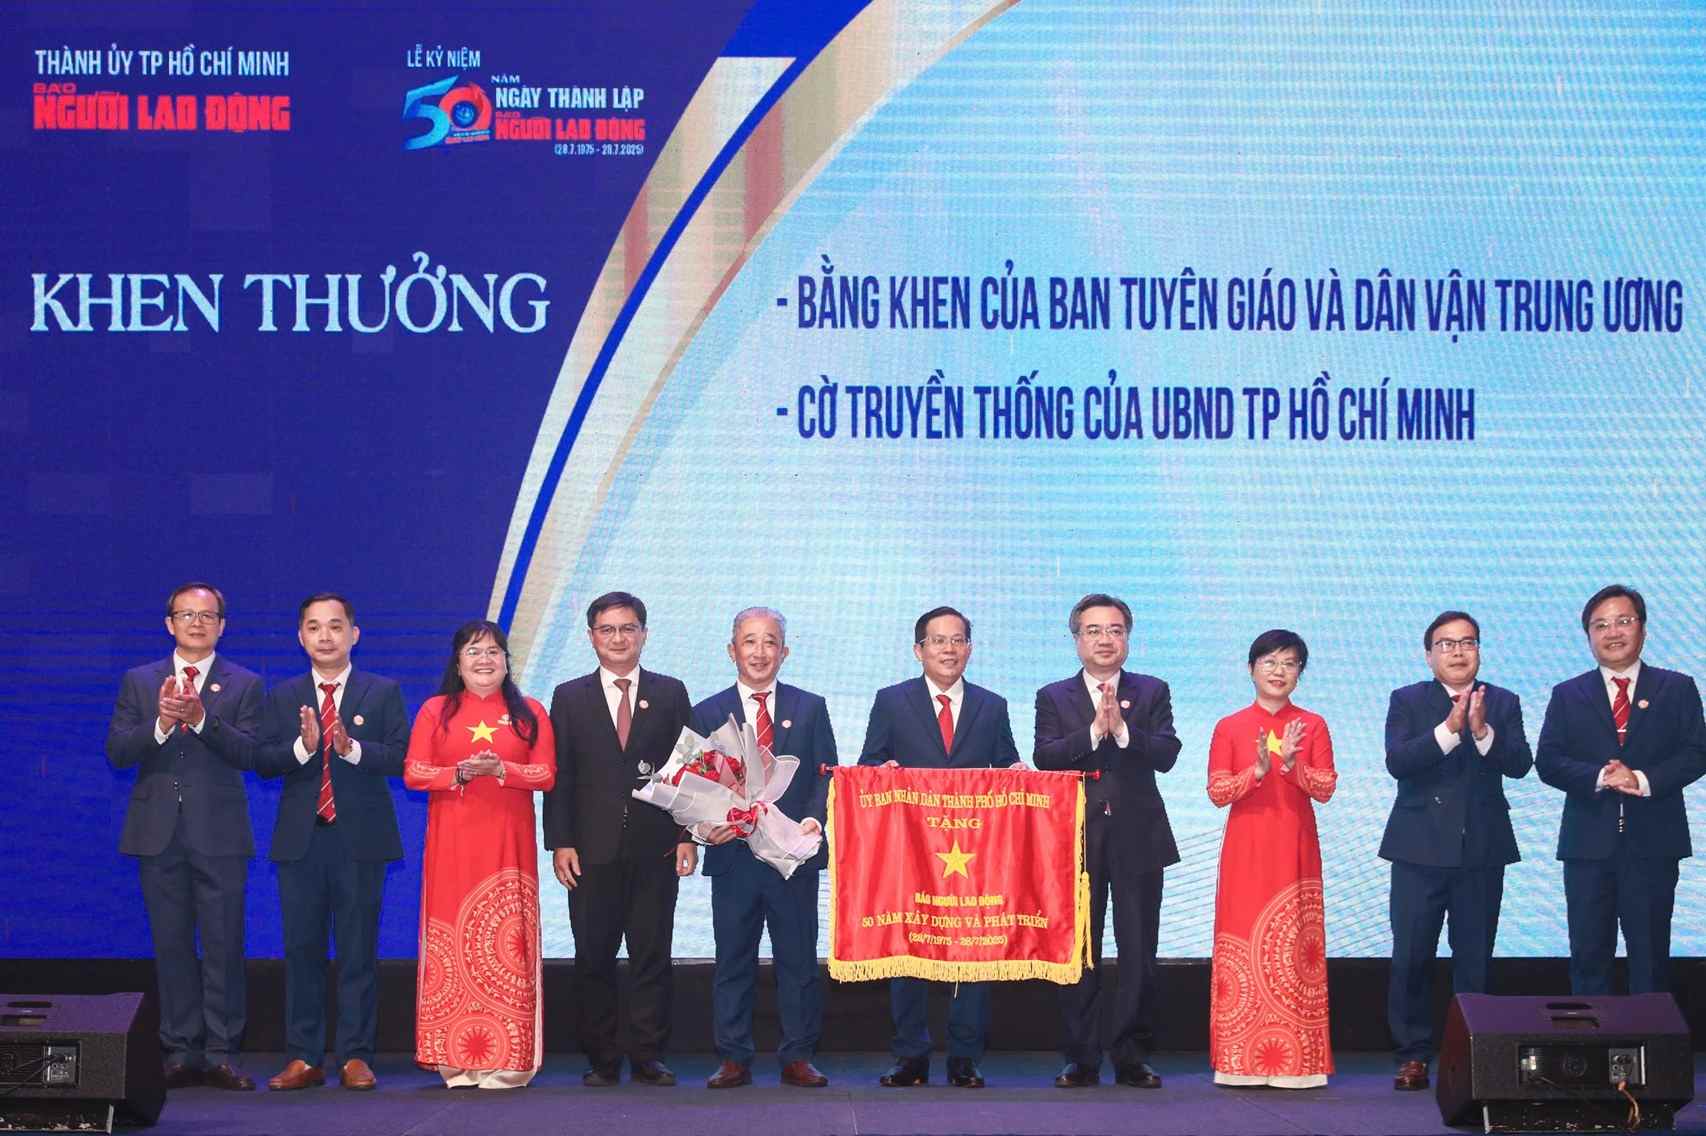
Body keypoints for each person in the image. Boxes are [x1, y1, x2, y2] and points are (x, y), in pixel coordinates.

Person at [106, 582, 262, 1091]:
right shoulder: (139, 681)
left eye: (207, 615)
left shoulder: (245, 683)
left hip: (220, 832)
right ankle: (179, 1050)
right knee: (171, 944)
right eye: (186, 614)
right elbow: (118, 751)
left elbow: (251, 754)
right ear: (169, 623)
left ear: (222, 625)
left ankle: (221, 1052)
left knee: (223, 944)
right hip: (156, 833)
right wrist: (160, 723)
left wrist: (200, 719)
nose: (197, 623)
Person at [859, 605, 1020, 1089]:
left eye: (958, 640)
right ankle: (910, 1055)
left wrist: (1016, 774)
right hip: (910, 851)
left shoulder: (992, 705)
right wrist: (880, 773)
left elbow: (1006, 766)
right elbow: (869, 764)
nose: (949, 649)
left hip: (974, 853)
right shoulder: (891, 701)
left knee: (974, 954)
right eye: (938, 641)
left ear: (969, 648)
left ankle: (965, 1058)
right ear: (919, 650)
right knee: (908, 950)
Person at [252, 594, 409, 1092]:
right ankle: (303, 1056)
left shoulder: (382, 691)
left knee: (358, 952)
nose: (325, 636)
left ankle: (356, 1055)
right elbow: (263, 761)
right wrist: (304, 747)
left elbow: (402, 757)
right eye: (315, 627)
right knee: (302, 950)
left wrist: (351, 748)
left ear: (354, 634)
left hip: (360, 842)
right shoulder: (283, 695)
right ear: (300, 637)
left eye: (335, 626)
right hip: (301, 842)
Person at [543, 591, 697, 1086]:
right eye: (607, 629)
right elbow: (560, 775)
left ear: (644, 635)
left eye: (628, 628)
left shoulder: (670, 692)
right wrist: (560, 841)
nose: (618, 638)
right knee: (594, 955)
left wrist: (688, 834)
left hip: (657, 846)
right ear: (591, 637)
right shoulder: (569, 696)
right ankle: (602, 1058)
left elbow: (688, 772)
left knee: (652, 953)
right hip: (590, 849)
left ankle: (648, 1055)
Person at [1381, 610, 1531, 1092]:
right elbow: (1399, 761)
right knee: (1411, 956)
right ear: (1429, 655)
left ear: (1479, 651)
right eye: (1447, 644)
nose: (1459, 651)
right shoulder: (1407, 700)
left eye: (1468, 642)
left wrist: (1483, 732)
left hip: (1481, 850)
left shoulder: (1502, 701)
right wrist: (1449, 728)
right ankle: (1413, 1055)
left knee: (1475, 958)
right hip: (1417, 849)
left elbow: (1521, 763)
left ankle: (1471, 1055)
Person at [1034, 593, 1179, 1089]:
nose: (1105, 640)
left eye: (1115, 630)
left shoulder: (1152, 690)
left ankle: (1132, 1055)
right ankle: (1081, 1056)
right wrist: (1095, 730)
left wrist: (1123, 733)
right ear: (1077, 639)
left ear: (1127, 638)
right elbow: (1046, 757)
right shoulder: (1054, 696)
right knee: (1080, 949)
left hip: (1139, 837)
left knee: (1139, 949)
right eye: (1093, 630)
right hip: (1075, 838)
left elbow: (1166, 753)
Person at [403, 620, 556, 1088]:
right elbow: (414, 772)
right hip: (451, 848)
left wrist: (502, 769)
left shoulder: (530, 712)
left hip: (508, 849)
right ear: (457, 663)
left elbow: (547, 774)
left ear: (507, 661)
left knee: (508, 944)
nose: (484, 659)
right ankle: (456, 1059)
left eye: (493, 651)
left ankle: (510, 1060)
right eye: (473, 651)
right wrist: (460, 774)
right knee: (451, 943)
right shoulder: (435, 711)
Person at [1535, 585, 1706, 996]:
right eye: (1601, 625)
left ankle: (1651, 1039)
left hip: (1654, 845)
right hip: (1587, 848)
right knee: (1588, 959)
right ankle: (1590, 1038)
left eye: (1623, 621)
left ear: (1643, 629)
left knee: (1650, 962)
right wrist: (1601, 776)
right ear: (1589, 636)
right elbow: (1549, 761)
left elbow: (1697, 753)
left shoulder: (1677, 688)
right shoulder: (1568, 694)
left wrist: (1641, 780)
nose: (1613, 632)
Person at [691, 607, 836, 1089]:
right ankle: (733, 1057)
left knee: (799, 960)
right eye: (749, 641)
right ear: (731, 650)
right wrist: (704, 827)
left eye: (769, 641)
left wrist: (814, 820)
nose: (759, 651)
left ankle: (798, 1056)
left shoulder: (810, 707)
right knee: (733, 961)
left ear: (784, 651)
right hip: (733, 858)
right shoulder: (707, 711)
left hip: (793, 857)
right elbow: (693, 785)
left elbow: (826, 775)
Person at [1206, 629, 1336, 1089]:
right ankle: (1238, 1061)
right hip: (1245, 850)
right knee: (1242, 939)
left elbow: (1326, 788)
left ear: (1299, 673)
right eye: (1270, 662)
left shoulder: (1313, 724)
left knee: (1295, 945)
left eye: (1290, 663)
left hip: (1295, 847)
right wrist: (1257, 770)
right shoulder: (1230, 726)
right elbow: (1217, 792)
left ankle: (1299, 1064)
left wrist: (1292, 766)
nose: (1279, 671)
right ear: (1251, 669)